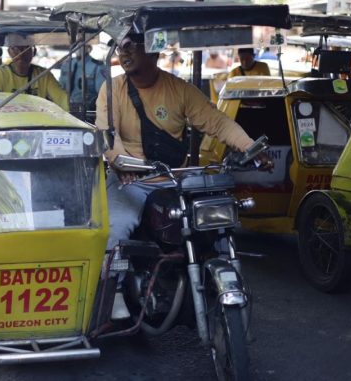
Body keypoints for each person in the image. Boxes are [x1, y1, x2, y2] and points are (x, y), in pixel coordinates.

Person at [95, 34, 271, 320]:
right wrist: (120, 161)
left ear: (152, 50)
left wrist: (249, 147)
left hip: (174, 179)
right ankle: (113, 292)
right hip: (131, 179)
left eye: (131, 46)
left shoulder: (180, 90)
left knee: (212, 227)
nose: (124, 52)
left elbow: (218, 123)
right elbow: (107, 134)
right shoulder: (112, 88)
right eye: (120, 47)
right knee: (117, 226)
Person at [0, 37, 70, 111]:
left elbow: (62, 98)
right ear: (9, 52)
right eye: (16, 48)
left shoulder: (44, 75)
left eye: (26, 48)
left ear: (33, 52)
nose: (21, 53)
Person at [59, 44, 108, 110]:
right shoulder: (67, 64)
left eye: (82, 45)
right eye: (76, 46)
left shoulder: (97, 66)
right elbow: (60, 86)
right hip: (67, 107)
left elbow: (102, 92)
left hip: (88, 109)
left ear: (89, 48)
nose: (78, 48)